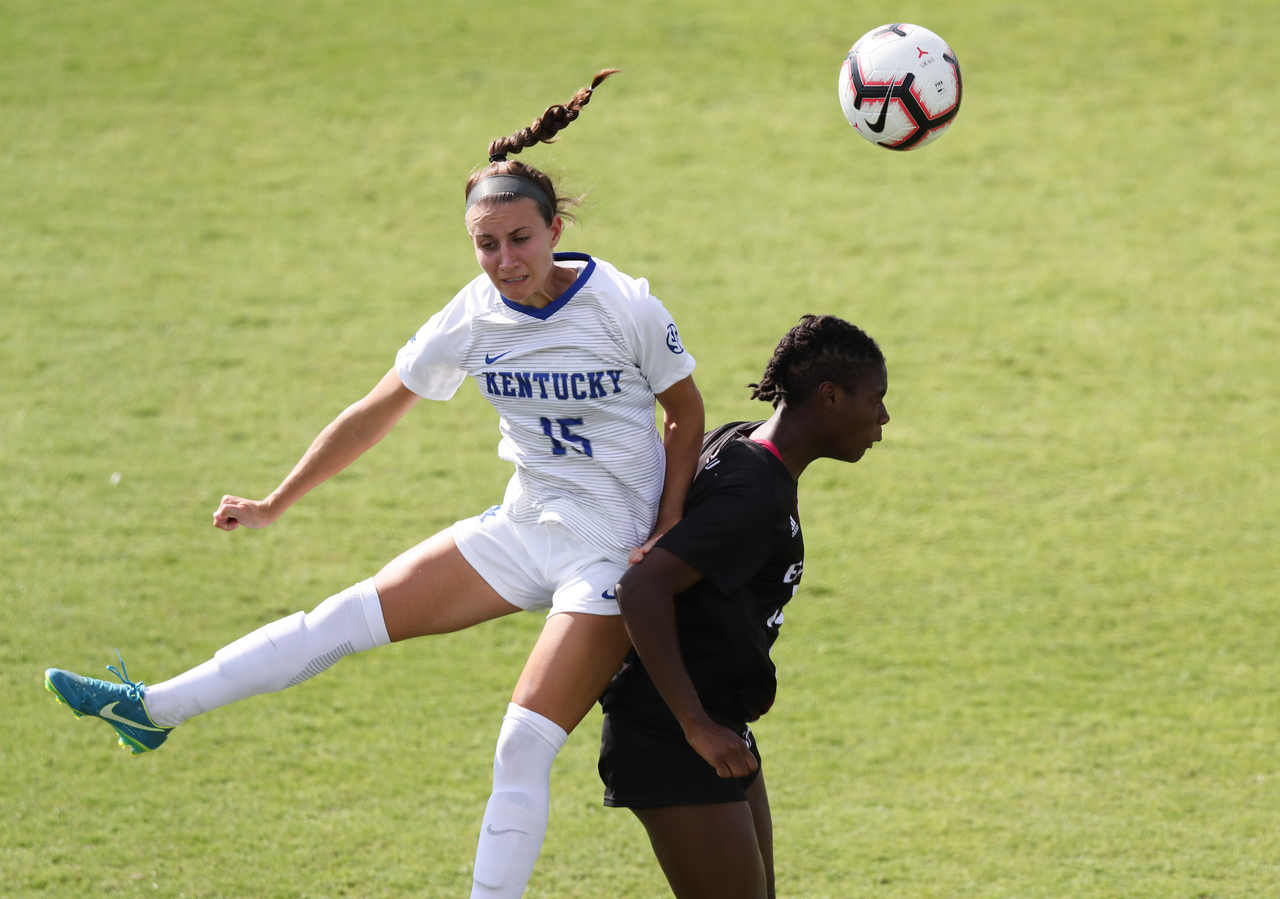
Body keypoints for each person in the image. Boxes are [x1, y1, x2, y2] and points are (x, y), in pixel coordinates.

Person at [44, 69, 706, 899]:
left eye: (519, 240)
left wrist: (669, 529)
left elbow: (684, 411)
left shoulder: (625, 307)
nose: (504, 260)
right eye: (486, 244)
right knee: (338, 621)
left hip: (610, 556)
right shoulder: (473, 314)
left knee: (520, 744)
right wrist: (277, 500)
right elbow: (374, 412)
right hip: (526, 525)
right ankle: (150, 709)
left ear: (555, 229)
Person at [596, 315, 889, 899]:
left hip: (718, 723)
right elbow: (643, 589)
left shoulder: (742, 444)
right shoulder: (752, 492)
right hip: (672, 733)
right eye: (876, 400)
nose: (882, 418)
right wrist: (696, 726)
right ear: (830, 397)